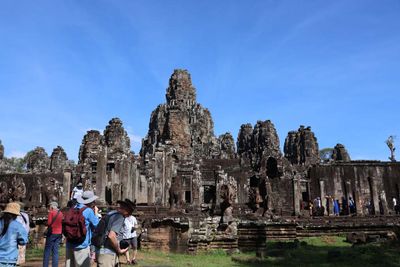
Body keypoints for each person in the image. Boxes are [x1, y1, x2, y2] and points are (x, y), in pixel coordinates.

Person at [96, 199, 136, 267]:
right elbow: (111, 236)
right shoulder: (119, 217)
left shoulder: (110, 214)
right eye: (130, 212)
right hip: (108, 254)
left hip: (101, 251)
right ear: (127, 210)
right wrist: (119, 250)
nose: (129, 215)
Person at [66, 191, 100, 267]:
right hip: (82, 245)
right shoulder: (88, 211)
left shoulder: (73, 208)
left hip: (70, 243)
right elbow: (97, 226)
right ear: (91, 201)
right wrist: (96, 213)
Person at [43, 202, 64, 267]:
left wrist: (45, 222)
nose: (49, 208)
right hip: (59, 233)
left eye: (50, 206)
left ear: (52, 207)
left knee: (47, 251)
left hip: (52, 233)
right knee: (55, 251)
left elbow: (49, 223)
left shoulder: (51, 212)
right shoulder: (61, 213)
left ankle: (45, 265)